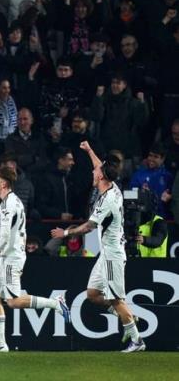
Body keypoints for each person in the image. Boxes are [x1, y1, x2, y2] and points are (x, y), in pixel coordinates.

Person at [51, 141, 145, 352]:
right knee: (93, 294)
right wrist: (89, 150)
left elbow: (88, 227)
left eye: (96, 172)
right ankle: (127, 317)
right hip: (106, 254)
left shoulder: (106, 201)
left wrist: (64, 233)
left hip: (113, 255)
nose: (93, 173)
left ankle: (137, 340)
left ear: (101, 177)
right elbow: (98, 165)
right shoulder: (113, 186)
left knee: (116, 298)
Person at [0, 166, 70, 352]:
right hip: (8, 256)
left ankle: (56, 303)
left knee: (13, 301)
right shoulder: (9, 202)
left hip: (11, 257)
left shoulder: (9, 205)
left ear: (4, 183)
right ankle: (0, 343)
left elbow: (5, 237)